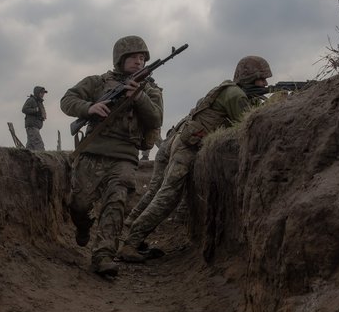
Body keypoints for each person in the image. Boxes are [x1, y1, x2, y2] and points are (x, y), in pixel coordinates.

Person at [118, 56, 272, 262]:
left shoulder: (230, 90)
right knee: (167, 196)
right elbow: (245, 126)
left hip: (183, 143)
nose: (265, 84)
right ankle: (130, 244)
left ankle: (128, 232)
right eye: (261, 79)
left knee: (159, 192)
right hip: (187, 148)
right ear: (249, 78)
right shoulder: (236, 95)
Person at [60, 35, 163, 277]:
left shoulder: (149, 89)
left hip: (125, 155)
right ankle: (83, 227)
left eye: (142, 58)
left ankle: (103, 256)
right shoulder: (97, 82)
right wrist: (89, 107)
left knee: (116, 202)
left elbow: (156, 118)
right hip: (92, 150)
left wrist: (139, 97)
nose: (139, 62)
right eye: (133, 57)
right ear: (120, 59)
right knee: (79, 204)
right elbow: (67, 100)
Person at [22, 86, 48, 150]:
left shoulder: (38, 101)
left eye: (43, 93)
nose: (43, 94)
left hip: (35, 126)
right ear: (37, 93)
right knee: (39, 144)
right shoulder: (31, 100)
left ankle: (26, 157)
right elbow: (24, 109)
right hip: (32, 126)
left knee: (30, 146)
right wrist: (35, 110)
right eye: (41, 93)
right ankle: (43, 158)